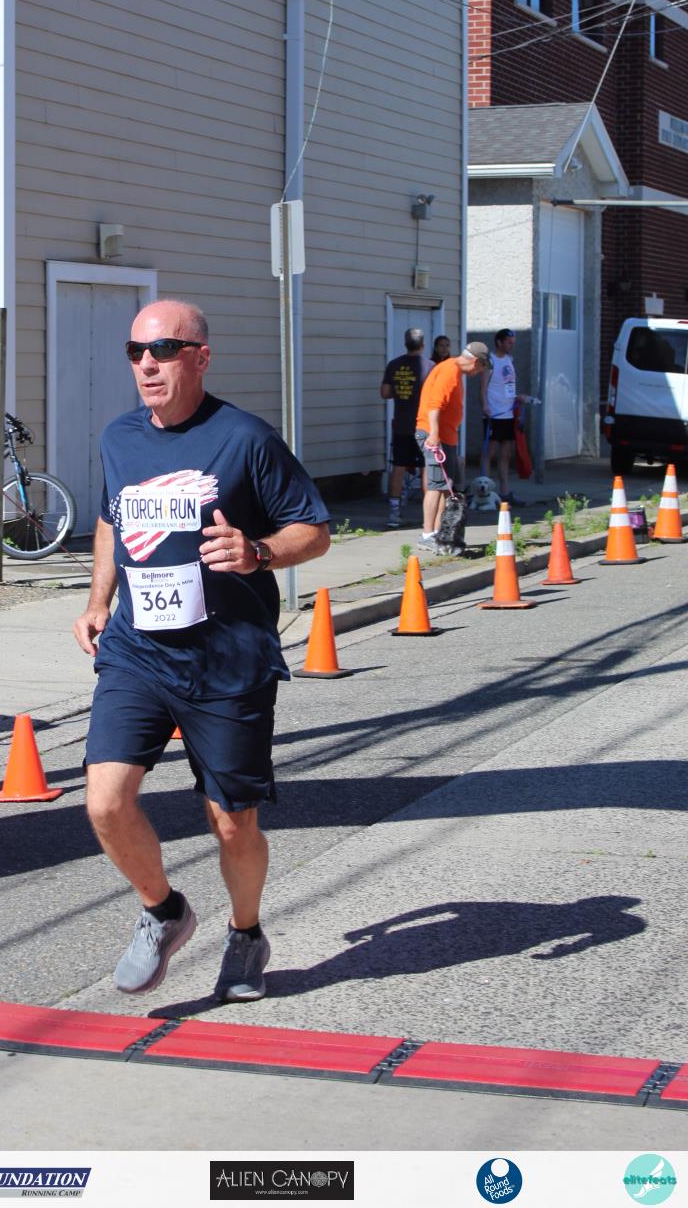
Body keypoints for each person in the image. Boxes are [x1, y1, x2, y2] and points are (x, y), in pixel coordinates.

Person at [74, 300, 330, 1004]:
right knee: (105, 802)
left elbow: (313, 530)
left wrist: (259, 552)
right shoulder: (119, 437)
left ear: (201, 357)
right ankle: (164, 911)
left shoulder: (245, 439)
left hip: (227, 658)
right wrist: (98, 602)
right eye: (136, 352)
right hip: (137, 651)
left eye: (163, 350)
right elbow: (111, 519)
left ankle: (246, 934)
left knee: (231, 821)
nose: (147, 364)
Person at [414, 342, 490, 553]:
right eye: (482, 367)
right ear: (476, 361)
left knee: (445, 485)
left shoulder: (454, 371)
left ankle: (441, 534)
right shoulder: (449, 371)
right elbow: (434, 405)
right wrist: (434, 435)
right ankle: (427, 535)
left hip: (446, 436)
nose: (480, 372)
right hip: (434, 435)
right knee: (436, 485)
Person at [380, 328, 431, 529]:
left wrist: (402, 391)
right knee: (427, 468)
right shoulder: (430, 366)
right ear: (423, 344)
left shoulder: (394, 365)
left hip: (401, 424)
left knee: (399, 467)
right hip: (424, 425)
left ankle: (394, 513)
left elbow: (385, 393)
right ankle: (428, 515)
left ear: (405, 343)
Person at [480, 328, 535, 505]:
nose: (511, 345)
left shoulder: (509, 359)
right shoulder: (490, 361)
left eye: (513, 343)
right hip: (494, 414)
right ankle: (485, 493)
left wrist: (518, 397)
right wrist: (485, 406)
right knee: (489, 453)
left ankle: (504, 493)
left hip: (508, 413)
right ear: (499, 342)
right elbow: (483, 388)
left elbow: (507, 386)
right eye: (509, 342)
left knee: (506, 454)